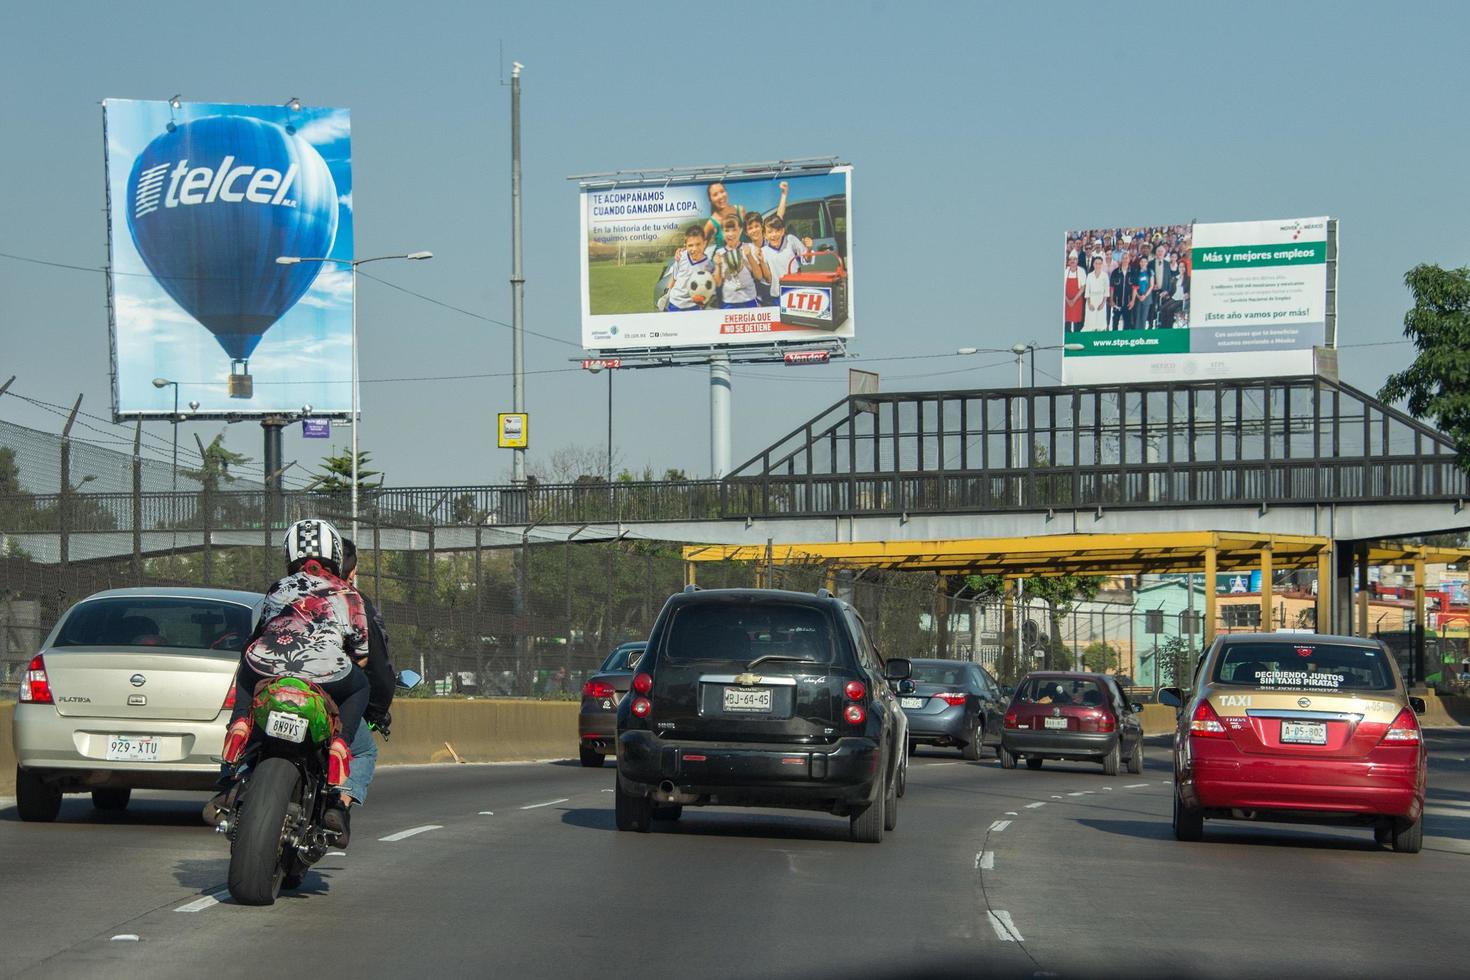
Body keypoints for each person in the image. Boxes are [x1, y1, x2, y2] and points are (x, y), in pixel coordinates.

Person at [219, 518, 370, 842]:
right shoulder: (350, 595)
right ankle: (341, 743)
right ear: (335, 553)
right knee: (360, 685)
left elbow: (260, 633)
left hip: (269, 665)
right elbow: (362, 654)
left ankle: (240, 727)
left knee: (245, 673)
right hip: (324, 673)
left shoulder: (278, 588)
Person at [337, 539, 396, 834]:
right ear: (352, 570)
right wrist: (378, 710)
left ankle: (233, 785)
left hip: (276, 681)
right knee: (362, 751)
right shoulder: (354, 603)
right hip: (331, 692)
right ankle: (341, 803)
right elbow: (373, 663)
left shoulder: (285, 592)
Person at [712, 214, 766, 309]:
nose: (730, 234)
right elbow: (718, 283)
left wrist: (749, 256)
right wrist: (718, 266)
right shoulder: (719, 253)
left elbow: (759, 276)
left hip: (749, 299)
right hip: (729, 301)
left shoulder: (750, 248)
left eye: (734, 230)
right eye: (727, 230)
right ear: (722, 232)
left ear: (740, 230)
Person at [663, 224, 717, 311]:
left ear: (704, 243)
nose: (694, 248)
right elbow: (674, 277)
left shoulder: (709, 265)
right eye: (690, 245)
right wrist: (666, 294)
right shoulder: (681, 256)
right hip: (675, 303)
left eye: (698, 244)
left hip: (694, 306)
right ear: (685, 246)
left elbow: (710, 286)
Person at [762, 213, 806, 304]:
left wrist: (808, 248)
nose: (774, 235)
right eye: (770, 232)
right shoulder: (763, 251)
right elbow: (767, 278)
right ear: (765, 235)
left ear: (782, 231)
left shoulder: (790, 240)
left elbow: (806, 258)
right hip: (778, 294)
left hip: (797, 290)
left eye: (777, 230)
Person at [1083, 255, 1109, 332]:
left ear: (1102, 264)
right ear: (1093, 264)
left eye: (1099, 263)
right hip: (1091, 301)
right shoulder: (1090, 276)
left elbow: (1106, 291)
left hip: (1101, 301)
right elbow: (1087, 290)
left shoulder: (1105, 276)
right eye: (1096, 263)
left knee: (1100, 323)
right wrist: (1089, 303)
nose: (1098, 265)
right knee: (1090, 323)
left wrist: (1103, 303)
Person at [1063, 253, 1086, 334]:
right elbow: (1062, 288)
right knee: (1067, 321)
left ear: (1077, 261)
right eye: (1071, 259)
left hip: (1077, 300)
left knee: (1077, 323)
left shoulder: (1081, 271)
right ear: (1068, 261)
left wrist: (1073, 300)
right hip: (1066, 301)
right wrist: (1067, 300)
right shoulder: (1065, 271)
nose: (1073, 261)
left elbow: (1083, 287)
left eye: (1074, 259)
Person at [1109, 254, 1131, 331]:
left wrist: (1133, 301)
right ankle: (1114, 339)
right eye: (1123, 258)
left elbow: (1135, 288)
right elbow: (1111, 287)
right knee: (1115, 323)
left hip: (1128, 302)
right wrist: (1111, 300)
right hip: (1117, 302)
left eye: (1126, 258)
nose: (1125, 260)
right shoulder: (1115, 272)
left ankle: (1124, 339)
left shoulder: (1132, 272)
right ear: (1121, 260)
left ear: (1129, 259)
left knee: (1127, 324)